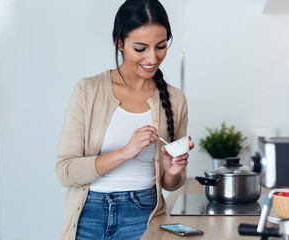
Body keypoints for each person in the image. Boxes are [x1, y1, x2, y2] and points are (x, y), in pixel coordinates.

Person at [55, 0, 194, 239]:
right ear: (120, 43)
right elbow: (65, 171)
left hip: (143, 214)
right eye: (140, 48)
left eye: (161, 46)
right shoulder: (88, 91)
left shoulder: (175, 99)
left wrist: (172, 171)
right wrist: (125, 152)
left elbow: (171, 184)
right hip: (88, 215)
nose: (152, 57)